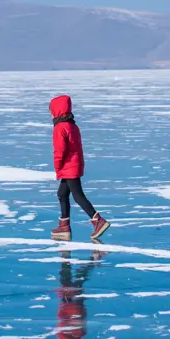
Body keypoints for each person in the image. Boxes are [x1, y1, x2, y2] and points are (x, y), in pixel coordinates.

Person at [49, 95, 110, 240]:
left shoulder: (59, 127)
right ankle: (64, 227)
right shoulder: (72, 125)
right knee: (62, 194)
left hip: (68, 166)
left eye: (51, 111)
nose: (51, 114)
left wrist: (58, 167)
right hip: (75, 164)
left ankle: (98, 221)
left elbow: (60, 150)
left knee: (77, 195)